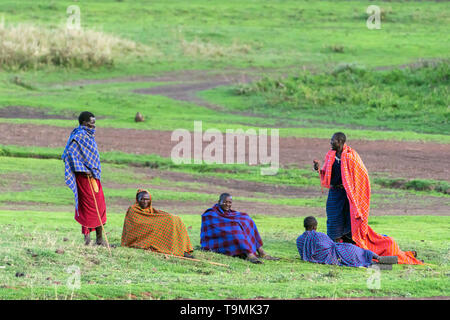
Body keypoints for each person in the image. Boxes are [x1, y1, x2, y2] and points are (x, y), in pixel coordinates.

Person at [313, 132, 423, 265]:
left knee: (350, 220)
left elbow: (362, 174)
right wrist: (319, 169)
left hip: (348, 195)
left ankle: (351, 244)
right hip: (335, 192)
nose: (330, 143)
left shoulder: (351, 156)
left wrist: (355, 192)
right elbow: (327, 172)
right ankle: (335, 244)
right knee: (333, 218)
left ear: (340, 142)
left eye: (333, 141)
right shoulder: (330, 155)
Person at [62, 111, 107, 246]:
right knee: (88, 207)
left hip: (94, 177)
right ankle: (87, 240)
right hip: (84, 178)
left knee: (99, 206)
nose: (93, 125)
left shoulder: (88, 136)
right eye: (91, 122)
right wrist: (83, 168)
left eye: (94, 122)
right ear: (83, 123)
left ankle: (99, 240)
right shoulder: (80, 136)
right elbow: (69, 154)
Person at [200, 193, 279, 264]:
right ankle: (249, 254)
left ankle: (261, 251)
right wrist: (233, 225)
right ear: (219, 202)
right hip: (217, 238)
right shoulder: (210, 214)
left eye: (229, 202)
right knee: (236, 230)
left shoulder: (230, 212)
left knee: (247, 220)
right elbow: (215, 228)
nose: (227, 204)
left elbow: (232, 219)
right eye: (224, 202)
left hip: (227, 233)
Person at [297, 216, 398, 268]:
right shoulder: (320, 236)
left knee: (363, 263)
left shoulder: (299, 240)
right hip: (343, 252)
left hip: (334, 258)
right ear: (315, 227)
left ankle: (386, 266)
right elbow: (331, 245)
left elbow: (304, 254)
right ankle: (385, 259)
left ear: (305, 226)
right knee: (364, 253)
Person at [121, 189, 194, 258]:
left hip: (150, 230)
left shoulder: (150, 209)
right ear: (137, 199)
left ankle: (181, 248)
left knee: (176, 219)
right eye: (142, 199)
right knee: (169, 220)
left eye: (147, 199)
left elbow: (155, 215)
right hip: (140, 237)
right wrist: (158, 223)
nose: (145, 202)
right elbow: (138, 226)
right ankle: (175, 250)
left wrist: (167, 217)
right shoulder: (133, 210)